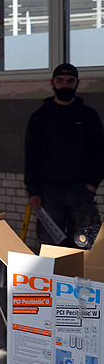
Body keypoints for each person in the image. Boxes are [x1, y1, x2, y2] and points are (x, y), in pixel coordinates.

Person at [24, 62, 104, 246]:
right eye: (60, 81)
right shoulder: (39, 118)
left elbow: (100, 152)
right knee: (50, 244)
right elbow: (32, 157)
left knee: (85, 243)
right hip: (49, 193)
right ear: (52, 83)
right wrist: (33, 191)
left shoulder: (89, 116)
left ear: (77, 83)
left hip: (82, 191)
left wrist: (93, 183)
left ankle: (81, 267)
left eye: (70, 81)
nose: (65, 86)